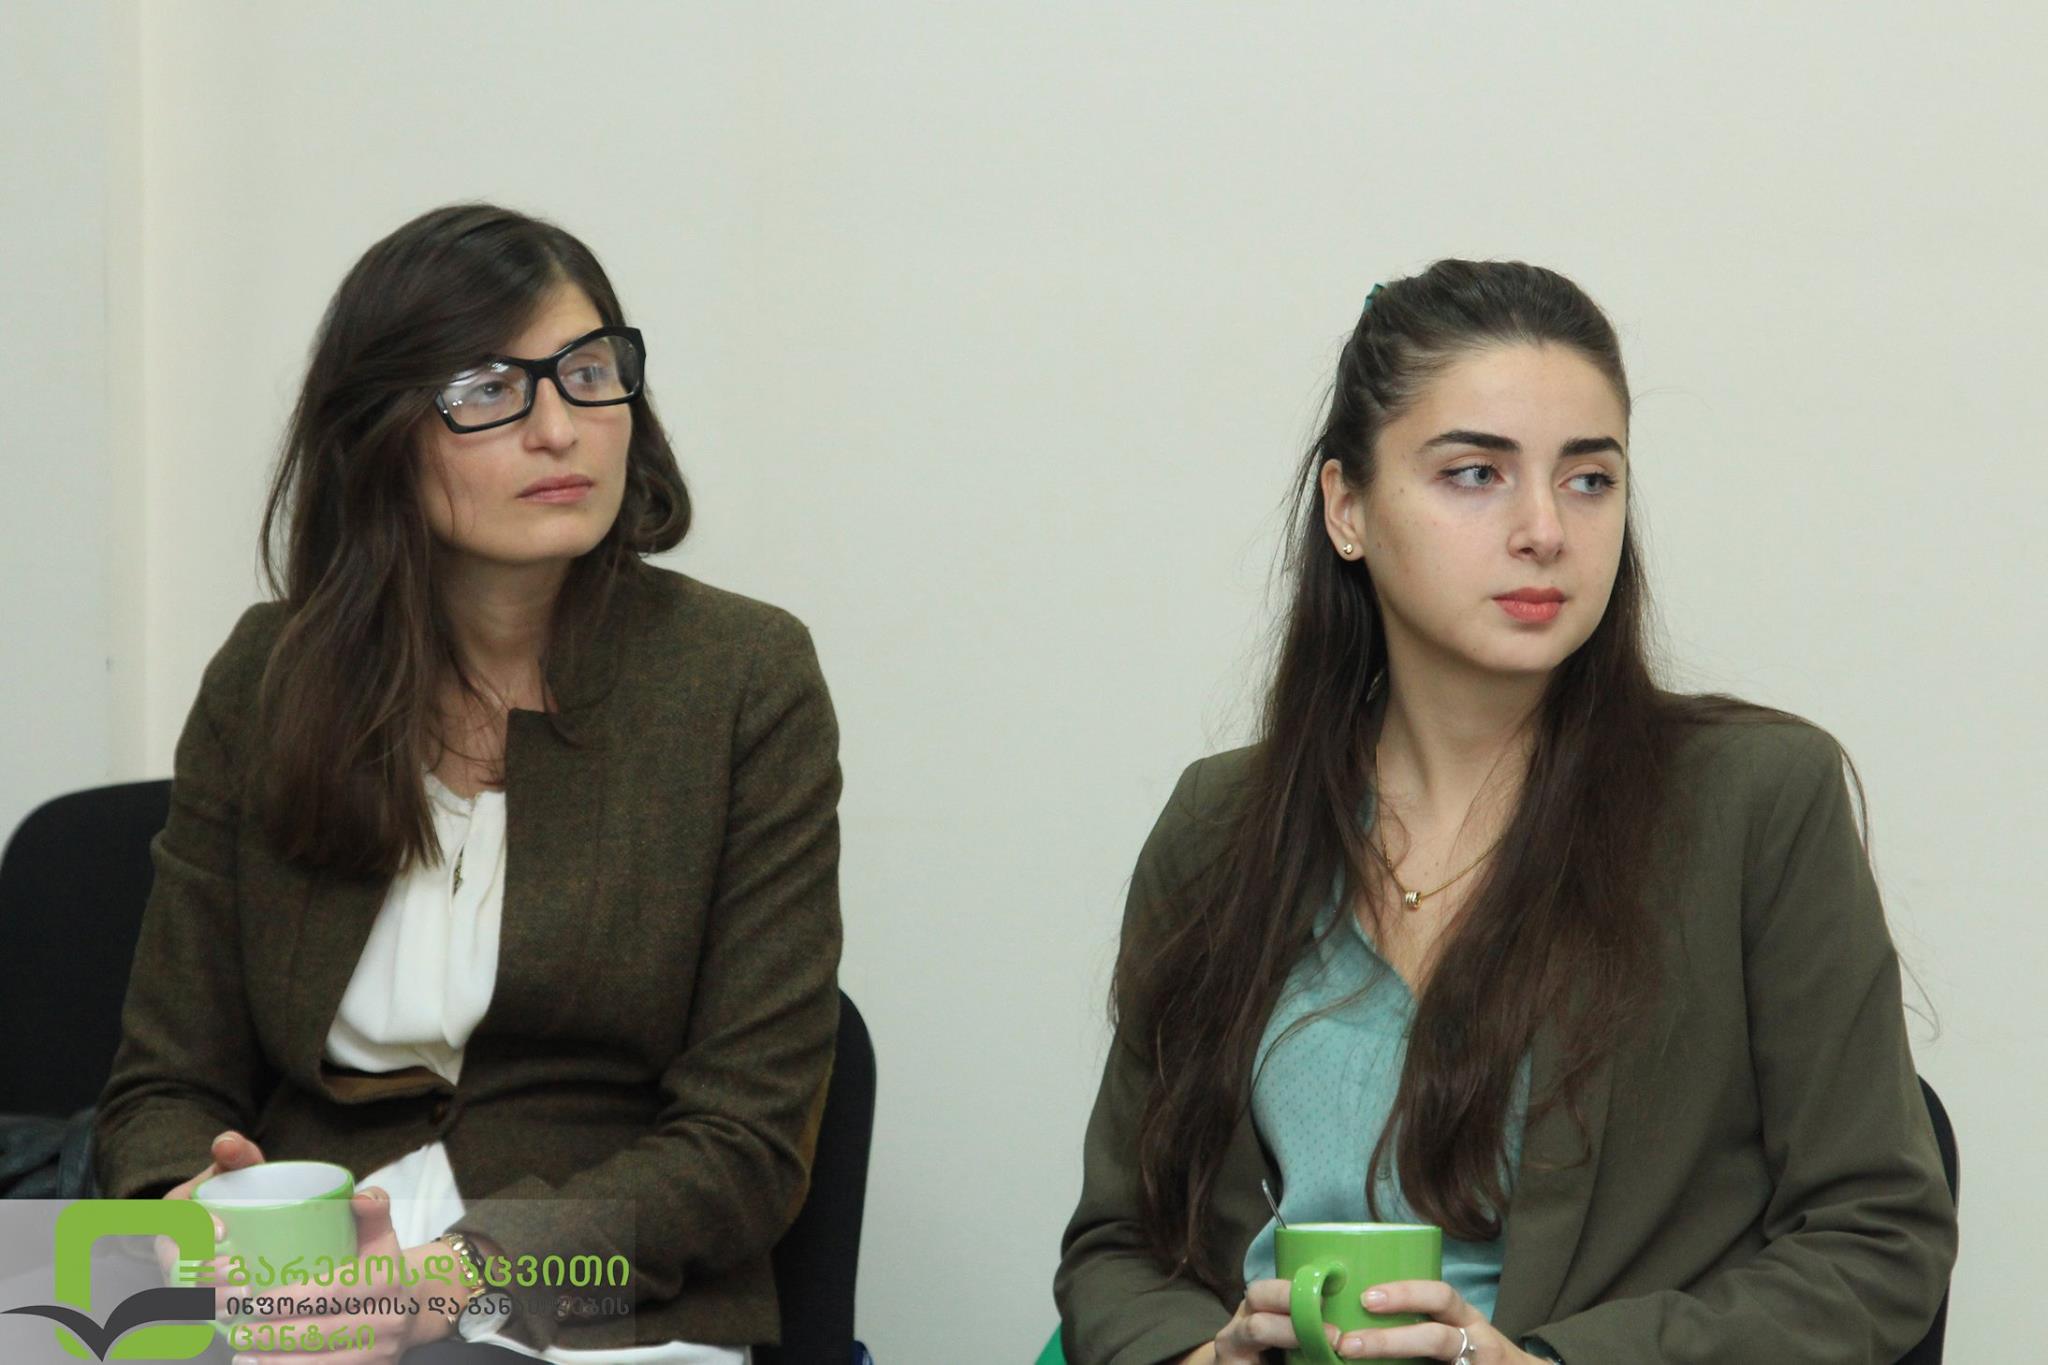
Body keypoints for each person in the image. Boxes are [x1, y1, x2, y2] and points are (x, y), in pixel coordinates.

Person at [1054, 261, 1956, 1364]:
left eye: (1589, 480)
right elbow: (1121, 1243)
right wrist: (1196, 1357)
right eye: (1475, 473)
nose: (1544, 528)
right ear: (1346, 508)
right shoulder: (1220, 823)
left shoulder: (1756, 799)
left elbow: (1877, 1237)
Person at [92, 203, 843, 1365]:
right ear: (379, 435)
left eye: (588, 374)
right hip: (289, 1283)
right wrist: (186, 1207)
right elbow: (162, 1086)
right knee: (43, 1319)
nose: (561, 430)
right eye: (490, 389)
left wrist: (450, 1281)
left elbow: (746, 1144)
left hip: (590, 1298)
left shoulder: (741, 679)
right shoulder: (269, 674)